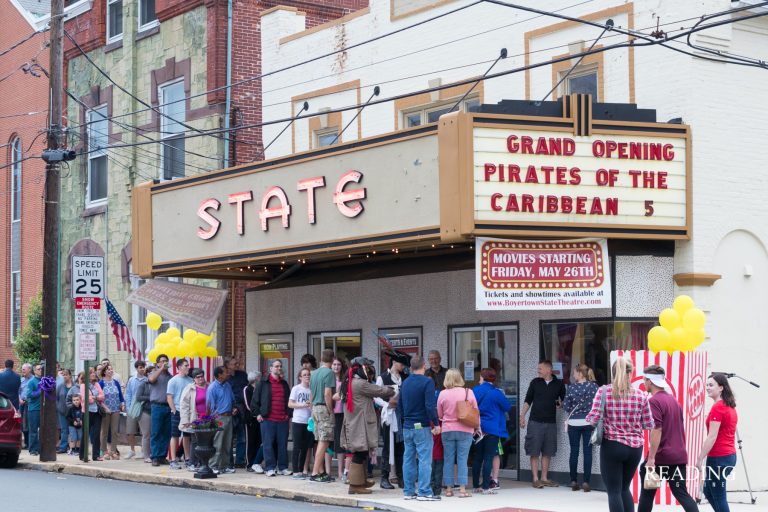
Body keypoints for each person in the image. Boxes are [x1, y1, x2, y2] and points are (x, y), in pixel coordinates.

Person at [586, 357, 654, 512]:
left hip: (612, 446)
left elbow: (593, 419)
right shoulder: (641, 395)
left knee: (614, 491)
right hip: (635, 448)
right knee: (624, 488)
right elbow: (648, 424)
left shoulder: (604, 391)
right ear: (631, 373)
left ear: (613, 372)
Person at [638, 365, 699, 512]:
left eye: (645, 380)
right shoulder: (674, 401)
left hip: (660, 457)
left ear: (650, 381)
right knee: (682, 493)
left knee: (647, 495)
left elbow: (656, 429)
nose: (644, 383)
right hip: (678, 457)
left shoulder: (654, 401)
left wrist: (651, 459)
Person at [340, 356, 395, 495]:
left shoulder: (350, 382)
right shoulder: (360, 384)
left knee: (362, 453)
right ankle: (355, 485)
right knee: (359, 454)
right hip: (359, 424)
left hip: (355, 423)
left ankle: (361, 481)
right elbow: (379, 391)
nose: (369, 371)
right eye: (367, 368)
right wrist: (394, 389)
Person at [398, 355, 440, 501]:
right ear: (424, 366)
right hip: (422, 426)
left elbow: (400, 405)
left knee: (408, 459)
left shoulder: (405, 382)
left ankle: (408, 492)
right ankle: (424, 491)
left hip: (407, 426)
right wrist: (436, 423)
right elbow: (430, 406)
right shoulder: (427, 382)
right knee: (424, 460)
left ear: (411, 367)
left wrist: (405, 420)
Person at [520, 360, 566, 488]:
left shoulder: (559, 384)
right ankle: (535, 479)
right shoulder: (535, 382)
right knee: (534, 451)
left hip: (551, 422)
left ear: (548, 370)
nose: (538, 371)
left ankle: (544, 478)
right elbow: (528, 400)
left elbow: (563, 400)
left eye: (540, 368)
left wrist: (560, 404)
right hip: (535, 421)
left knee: (548, 451)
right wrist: (522, 416)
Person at [697, 373, 738, 512]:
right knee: (708, 491)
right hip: (728, 456)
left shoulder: (718, 407)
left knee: (719, 496)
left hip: (719, 458)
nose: (707, 388)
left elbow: (712, 437)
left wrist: (700, 458)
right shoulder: (729, 406)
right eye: (707, 385)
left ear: (721, 387)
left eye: (711, 385)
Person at [437, 368, 477, 498]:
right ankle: (462, 489)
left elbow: (439, 414)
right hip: (465, 429)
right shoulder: (468, 392)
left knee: (448, 459)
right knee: (462, 459)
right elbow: (475, 410)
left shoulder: (442, 394)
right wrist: (477, 427)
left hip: (447, 429)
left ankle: (449, 489)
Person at [473, 368, 511, 494]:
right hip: (493, 428)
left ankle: (475, 486)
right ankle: (485, 487)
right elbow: (507, 407)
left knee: (478, 457)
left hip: (478, 428)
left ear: (483, 377)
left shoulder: (475, 390)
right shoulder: (496, 392)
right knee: (488, 457)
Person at [375, 351, 409, 489]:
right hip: (389, 416)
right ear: (394, 362)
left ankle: (401, 478)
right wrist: (387, 404)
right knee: (387, 447)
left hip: (401, 416)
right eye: (402, 364)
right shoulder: (382, 377)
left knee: (401, 447)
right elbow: (375, 396)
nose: (403, 367)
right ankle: (384, 478)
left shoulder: (405, 377)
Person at [563, 363, 599, 492]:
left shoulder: (571, 388)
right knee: (587, 452)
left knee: (574, 451)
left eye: (574, 372)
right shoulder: (594, 387)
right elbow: (598, 404)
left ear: (580, 373)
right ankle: (586, 482)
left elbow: (566, 407)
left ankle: (573, 481)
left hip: (573, 423)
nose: (573, 375)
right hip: (588, 422)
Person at [252, 359, 291, 476]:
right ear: (270, 368)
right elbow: (254, 401)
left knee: (283, 445)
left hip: (282, 420)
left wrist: (288, 415)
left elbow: (289, 400)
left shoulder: (284, 384)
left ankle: (283, 467)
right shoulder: (262, 383)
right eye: (276, 366)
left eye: (280, 366)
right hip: (268, 419)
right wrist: (258, 414)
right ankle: (270, 468)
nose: (279, 368)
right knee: (267, 444)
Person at [309, 349, 336, 483]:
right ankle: (315, 473)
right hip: (324, 407)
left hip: (314, 407)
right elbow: (327, 394)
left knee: (319, 439)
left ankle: (321, 472)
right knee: (324, 440)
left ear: (321, 359)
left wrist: (311, 407)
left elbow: (310, 393)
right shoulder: (329, 373)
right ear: (332, 359)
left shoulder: (314, 373)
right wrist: (331, 410)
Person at [207, 365, 237, 474]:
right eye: (225, 372)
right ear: (219, 375)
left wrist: (233, 408)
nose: (227, 373)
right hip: (218, 417)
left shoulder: (227, 385)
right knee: (217, 443)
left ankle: (224, 466)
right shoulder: (212, 387)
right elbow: (210, 406)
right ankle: (213, 466)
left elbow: (232, 400)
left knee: (227, 443)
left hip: (229, 416)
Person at [167, 358, 194, 469]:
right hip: (177, 411)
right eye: (185, 365)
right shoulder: (173, 380)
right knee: (175, 435)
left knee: (187, 435)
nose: (188, 367)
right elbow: (169, 397)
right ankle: (173, 460)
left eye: (188, 365)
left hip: (187, 412)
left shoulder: (191, 380)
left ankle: (187, 458)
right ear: (179, 367)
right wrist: (174, 410)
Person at [180, 368, 208, 469]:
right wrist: (185, 420)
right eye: (197, 377)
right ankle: (192, 462)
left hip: (208, 418)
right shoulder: (190, 388)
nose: (200, 379)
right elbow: (184, 406)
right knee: (195, 441)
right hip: (195, 418)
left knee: (206, 441)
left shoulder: (209, 386)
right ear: (194, 379)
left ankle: (202, 462)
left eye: (202, 376)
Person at [148, 354, 173, 466]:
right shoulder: (153, 373)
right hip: (157, 406)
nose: (164, 363)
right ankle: (155, 456)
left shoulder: (170, 377)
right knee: (156, 432)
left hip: (168, 406)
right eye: (162, 361)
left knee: (166, 433)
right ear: (157, 363)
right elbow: (151, 379)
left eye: (166, 361)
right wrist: (161, 369)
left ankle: (162, 456)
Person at [289, 368, 313, 478]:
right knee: (297, 446)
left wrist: (311, 406)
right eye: (305, 375)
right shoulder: (296, 388)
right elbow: (290, 404)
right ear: (300, 377)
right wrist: (303, 405)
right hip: (298, 421)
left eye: (308, 374)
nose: (307, 376)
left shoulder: (311, 389)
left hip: (308, 421)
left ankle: (301, 470)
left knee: (305, 447)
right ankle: (295, 471)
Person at [225, 356, 249, 467]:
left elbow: (247, 389)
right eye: (234, 364)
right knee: (229, 437)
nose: (237, 365)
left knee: (242, 436)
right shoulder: (225, 377)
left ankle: (240, 460)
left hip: (242, 408)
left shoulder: (243, 375)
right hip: (229, 409)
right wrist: (231, 407)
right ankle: (229, 461)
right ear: (228, 365)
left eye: (237, 363)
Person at [98, 364, 125, 460]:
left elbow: (120, 394)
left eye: (111, 369)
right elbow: (99, 398)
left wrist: (122, 404)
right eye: (108, 369)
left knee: (115, 431)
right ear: (104, 372)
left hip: (116, 409)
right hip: (105, 410)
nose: (110, 371)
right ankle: (104, 451)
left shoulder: (116, 382)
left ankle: (113, 451)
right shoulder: (101, 383)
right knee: (104, 431)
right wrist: (105, 408)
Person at [80, 366, 105, 461]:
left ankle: (96, 455)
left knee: (96, 433)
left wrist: (95, 398)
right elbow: (85, 399)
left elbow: (102, 396)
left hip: (97, 411)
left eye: (94, 372)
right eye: (91, 373)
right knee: (85, 433)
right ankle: (83, 455)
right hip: (87, 412)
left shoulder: (97, 384)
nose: (93, 374)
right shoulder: (83, 386)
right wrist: (95, 398)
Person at [331, 357, 350, 482]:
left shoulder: (345, 379)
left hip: (345, 413)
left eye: (338, 364)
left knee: (344, 442)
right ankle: (338, 471)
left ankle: (345, 470)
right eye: (334, 364)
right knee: (336, 442)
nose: (336, 366)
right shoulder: (329, 379)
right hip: (333, 413)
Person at [124, 360, 147, 459]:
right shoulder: (132, 380)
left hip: (143, 407)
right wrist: (128, 407)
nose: (142, 369)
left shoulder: (147, 380)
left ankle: (143, 450)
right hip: (132, 407)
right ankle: (132, 450)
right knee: (130, 430)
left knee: (144, 431)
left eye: (143, 367)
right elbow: (128, 393)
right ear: (136, 368)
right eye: (140, 367)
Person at [134, 365, 155, 463]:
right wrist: (151, 398)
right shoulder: (144, 384)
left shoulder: (157, 383)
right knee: (146, 434)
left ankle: (153, 454)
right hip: (145, 411)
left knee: (153, 434)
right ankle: (146, 455)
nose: (154, 374)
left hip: (155, 411)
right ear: (147, 374)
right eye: (151, 372)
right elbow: (138, 397)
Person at [242, 371, 261, 472]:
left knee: (258, 441)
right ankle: (249, 463)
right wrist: (257, 412)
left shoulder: (259, 389)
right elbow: (248, 405)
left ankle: (256, 463)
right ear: (256, 379)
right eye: (259, 377)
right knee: (250, 442)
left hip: (259, 419)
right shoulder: (247, 389)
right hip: (250, 420)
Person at [55, 369, 74, 453]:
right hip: (62, 411)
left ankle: (73, 447)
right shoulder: (60, 386)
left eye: (66, 374)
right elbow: (56, 398)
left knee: (73, 429)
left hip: (73, 412)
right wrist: (58, 407)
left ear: (70, 375)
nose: (64, 376)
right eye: (63, 375)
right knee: (64, 430)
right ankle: (63, 447)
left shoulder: (74, 386)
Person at [26, 364, 43, 455]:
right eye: (39, 369)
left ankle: (40, 449)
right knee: (33, 430)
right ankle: (33, 449)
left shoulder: (44, 381)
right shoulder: (31, 382)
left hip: (43, 409)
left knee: (43, 430)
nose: (41, 370)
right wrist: (40, 391)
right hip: (34, 409)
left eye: (41, 369)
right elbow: (29, 395)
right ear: (35, 371)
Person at [19, 363, 32, 448]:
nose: (22, 370)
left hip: (29, 403)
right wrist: (19, 399)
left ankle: (29, 443)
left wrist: (27, 399)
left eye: (24, 369)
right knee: (21, 423)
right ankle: (25, 443)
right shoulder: (21, 380)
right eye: (22, 369)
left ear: (30, 369)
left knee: (28, 423)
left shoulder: (33, 380)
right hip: (21, 404)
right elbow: (18, 391)